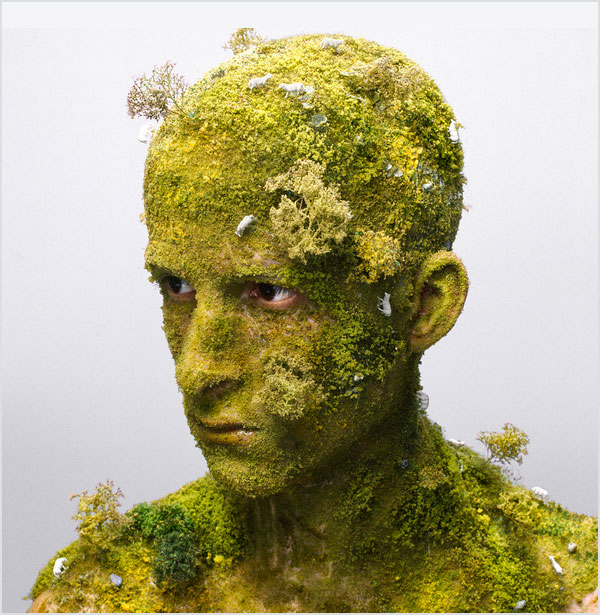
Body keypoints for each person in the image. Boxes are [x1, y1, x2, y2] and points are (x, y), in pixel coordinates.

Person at [29, 33, 597, 613]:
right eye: (178, 287)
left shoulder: (566, 594)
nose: (196, 370)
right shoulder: (99, 599)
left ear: (424, 306)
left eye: (271, 292)